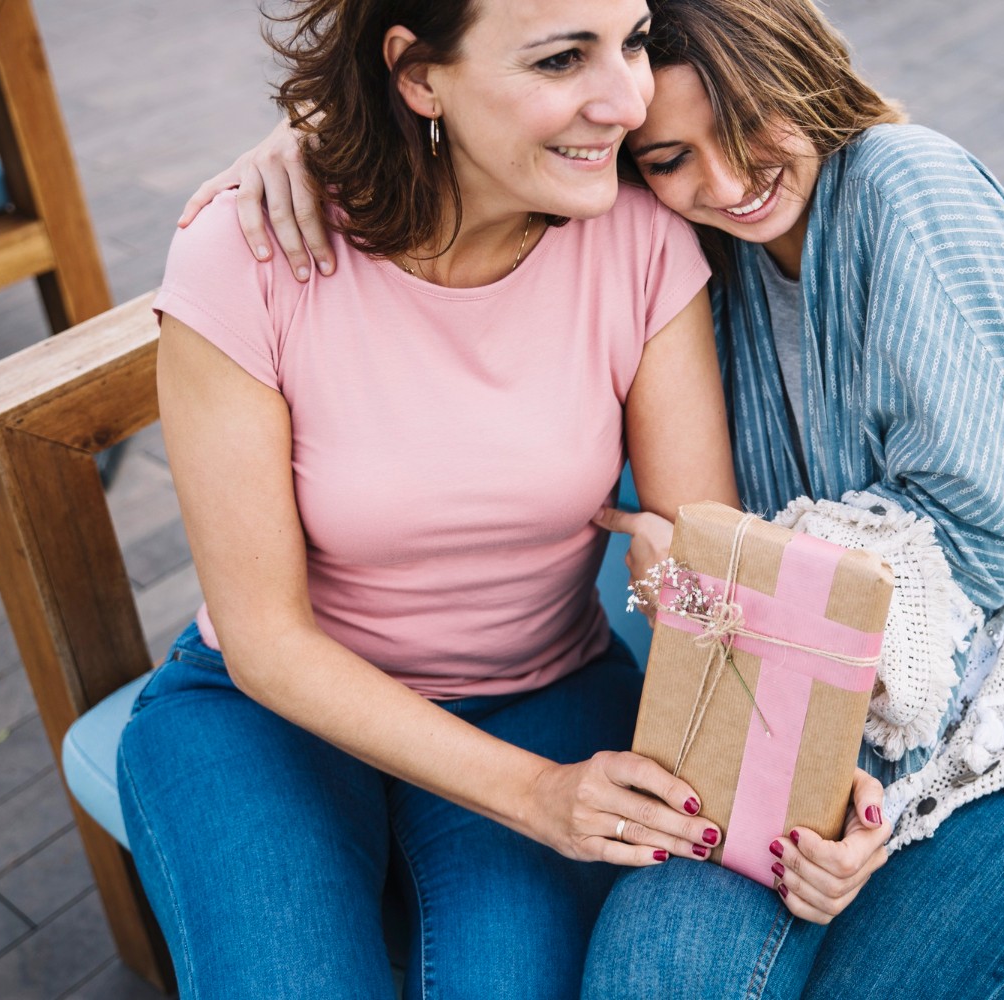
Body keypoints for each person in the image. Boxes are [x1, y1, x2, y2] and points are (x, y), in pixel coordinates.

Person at [192, 2, 1004, 997]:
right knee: (651, 974)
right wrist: (321, 130)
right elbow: (496, 127)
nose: (725, 180)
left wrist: (741, 590)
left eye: (745, 121)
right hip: (813, 716)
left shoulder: (904, 187)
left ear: (798, 68)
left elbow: (979, 538)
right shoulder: (690, 242)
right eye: (670, 155)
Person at [119, 1, 817, 997]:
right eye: (561, 58)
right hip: (265, 710)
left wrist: (721, 634)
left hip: (544, 693)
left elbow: (711, 558)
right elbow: (264, 638)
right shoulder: (249, 249)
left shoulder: (641, 235)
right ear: (417, 75)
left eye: (631, 39)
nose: (627, 99)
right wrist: (536, 798)